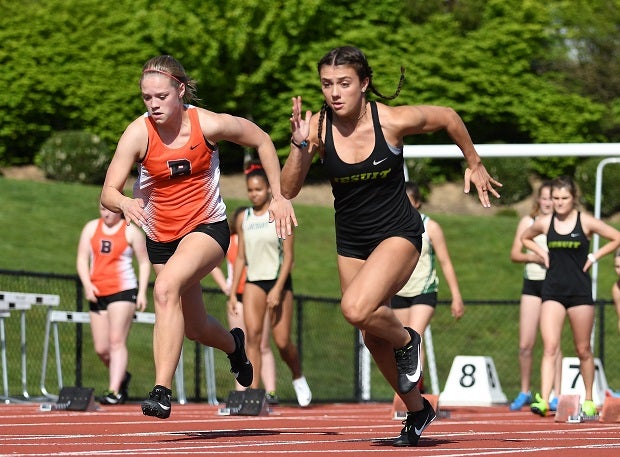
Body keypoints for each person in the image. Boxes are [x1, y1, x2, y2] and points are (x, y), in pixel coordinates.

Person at [281, 45, 501, 446]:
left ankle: (407, 340)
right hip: (351, 241)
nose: (335, 92)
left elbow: (449, 117)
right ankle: (418, 410)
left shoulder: (392, 122)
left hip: (398, 232)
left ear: (364, 84)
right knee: (369, 334)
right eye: (327, 84)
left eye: (344, 83)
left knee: (355, 309)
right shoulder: (316, 129)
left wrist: (473, 161)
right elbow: (288, 188)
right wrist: (299, 147)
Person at [100, 54, 296, 419]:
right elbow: (108, 190)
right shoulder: (138, 132)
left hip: (205, 228)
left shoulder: (207, 124)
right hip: (162, 238)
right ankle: (234, 347)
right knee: (194, 327)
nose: (154, 104)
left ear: (181, 89)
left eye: (161, 96)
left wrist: (279, 195)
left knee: (164, 288)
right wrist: (124, 201)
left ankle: (161, 391)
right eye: (147, 97)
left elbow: (263, 140)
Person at [521, 176, 620, 417]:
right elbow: (525, 237)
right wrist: (541, 253)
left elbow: (617, 236)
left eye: (564, 198)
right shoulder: (545, 222)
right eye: (555, 198)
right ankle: (544, 399)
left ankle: (588, 398)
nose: (559, 203)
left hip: (579, 292)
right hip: (553, 290)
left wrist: (595, 257)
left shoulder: (584, 221)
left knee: (583, 349)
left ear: (573, 198)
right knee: (550, 347)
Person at [228, 166, 312, 407]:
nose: (254, 194)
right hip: (254, 282)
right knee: (251, 339)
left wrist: (277, 289)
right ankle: (253, 393)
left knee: (282, 342)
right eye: (250, 190)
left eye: (258, 189)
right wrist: (233, 291)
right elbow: (241, 256)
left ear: (268, 190)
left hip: (279, 282)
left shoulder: (280, 214)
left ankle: (297, 375)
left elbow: (289, 257)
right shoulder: (244, 218)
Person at [390, 181, 465, 398]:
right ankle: (412, 389)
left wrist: (456, 297)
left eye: (409, 202)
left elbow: (446, 262)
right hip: (399, 290)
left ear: (418, 203)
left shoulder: (430, 227)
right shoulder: (389, 227)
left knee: (415, 337)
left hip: (424, 290)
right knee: (400, 342)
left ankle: (412, 390)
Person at [76, 203, 151, 404]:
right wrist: (87, 285)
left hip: (122, 290)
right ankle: (122, 377)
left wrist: (142, 292)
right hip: (97, 291)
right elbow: (82, 259)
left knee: (117, 340)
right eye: (102, 210)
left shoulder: (131, 231)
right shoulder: (91, 228)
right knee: (102, 348)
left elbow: (144, 262)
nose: (106, 214)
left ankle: (113, 390)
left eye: (110, 210)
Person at [508, 181, 562, 411]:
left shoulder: (562, 223)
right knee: (525, 343)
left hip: (555, 285)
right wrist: (536, 258)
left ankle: (556, 394)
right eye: (545, 197)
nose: (549, 202)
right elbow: (515, 254)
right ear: (538, 200)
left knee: (553, 343)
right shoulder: (528, 222)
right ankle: (525, 390)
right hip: (532, 283)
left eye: (553, 197)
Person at [224, 204, 278, 403]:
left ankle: (270, 391)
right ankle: (240, 392)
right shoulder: (228, 241)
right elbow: (212, 263)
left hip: (256, 292)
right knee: (239, 345)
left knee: (262, 343)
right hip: (237, 296)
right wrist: (225, 286)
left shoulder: (257, 237)